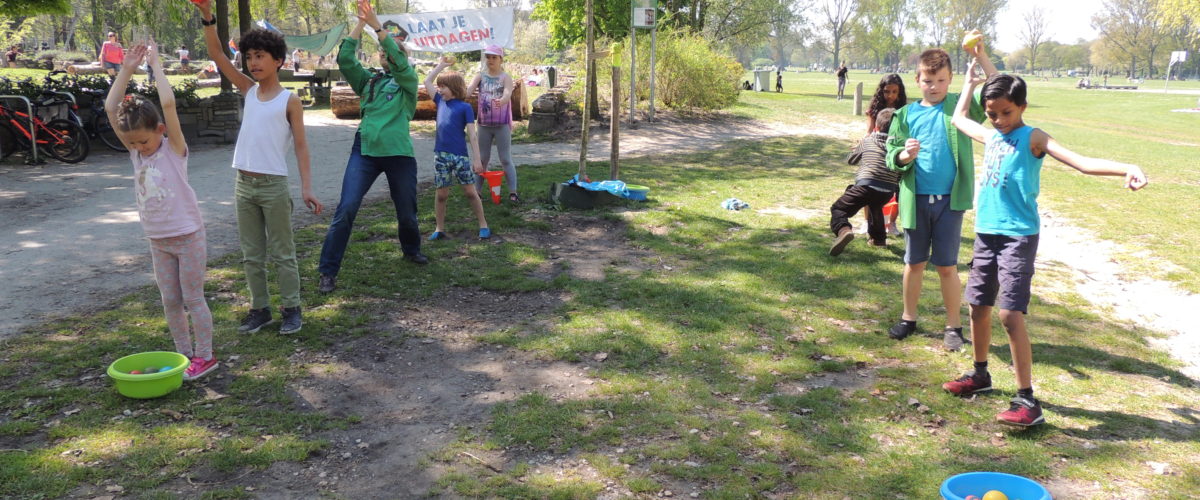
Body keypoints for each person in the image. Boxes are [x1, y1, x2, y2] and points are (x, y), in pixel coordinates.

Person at [945, 63, 1148, 426]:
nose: (999, 120)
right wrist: (968, 83)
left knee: (1009, 313)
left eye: (1006, 112)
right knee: (977, 306)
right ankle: (979, 376)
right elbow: (959, 118)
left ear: (1022, 107)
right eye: (992, 114)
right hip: (986, 232)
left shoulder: (1033, 137)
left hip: (1018, 236)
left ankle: (1026, 399)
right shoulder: (992, 136)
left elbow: (1081, 163)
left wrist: (1127, 166)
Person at [194, 0, 323, 334]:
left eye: (260, 56)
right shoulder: (248, 91)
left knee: (283, 253)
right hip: (244, 185)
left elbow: (300, 146)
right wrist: (209, 18)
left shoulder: (289, 100)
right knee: (252, 255)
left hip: (273, 186)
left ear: (278, 60)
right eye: (250, 57)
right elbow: (218, 56)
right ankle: (260, 309)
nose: (253, 62)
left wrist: (307, 187)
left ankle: (292, 308)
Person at [104, 41, 219, 380]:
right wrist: (126, 68)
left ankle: (206, 356)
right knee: (170, 302)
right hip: (158, 241)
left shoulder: (174, 149)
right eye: (133, 143)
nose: (138, 147)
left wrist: (156, 66)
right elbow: (112, 109)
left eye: (144, 141)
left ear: (160, 131)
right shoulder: (137, 153)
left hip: (188, 237)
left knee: (194, 299)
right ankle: (184, 354)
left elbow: (167, 103)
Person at [884, 36, 998, 350]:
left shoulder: (959, 107)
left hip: (950, 201)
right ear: (917, 80)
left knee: (947, 267)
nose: (934, 86)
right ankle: (908, 318)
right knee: (914, 263)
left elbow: (997, 87)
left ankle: (953, 326)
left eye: (942, 80)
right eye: (928, 80)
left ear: (950, 79)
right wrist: (904, 156)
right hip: (915, 200)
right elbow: (890, 153)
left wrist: (981, 59)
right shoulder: (905, 115)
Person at [317, 0, 427, 295]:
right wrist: (360, 24)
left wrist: (378, 26)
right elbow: (346, 61)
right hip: (364, 152)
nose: (385, 53)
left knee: (406, 212)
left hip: (399, 155)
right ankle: (328, 270)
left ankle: (411, 249)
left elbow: (400, 61)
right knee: (346, 208)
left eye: (390, 50)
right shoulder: (368, 81)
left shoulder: (407, 80)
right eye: (382, 50)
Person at [424, 55, 490, 241]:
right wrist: (441, 65)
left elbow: (472, 134)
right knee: (442, 194)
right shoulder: (439, 101)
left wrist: (477, 159)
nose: (439, 89)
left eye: (443, 86)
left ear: (453, 88)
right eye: (439, 86)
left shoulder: (465, 107)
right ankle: (439, 228)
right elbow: (426, 80)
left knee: (470, 192)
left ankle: (483, 224)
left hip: (460, 157)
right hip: (441, 156)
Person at [828, 107, 900, 256]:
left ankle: (843, 230)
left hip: (866, 184)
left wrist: (857, 148)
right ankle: (878, 240)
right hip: (888, 190)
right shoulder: (898, 148)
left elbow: (851, 160)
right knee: (876, 206)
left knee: (838, 209)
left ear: (876, 127)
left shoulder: (868, 140)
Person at [860, 73, 908, 235]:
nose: (891, 96)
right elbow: (869, 131)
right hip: (877, 153)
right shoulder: (874, 109)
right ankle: (867, 222)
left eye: (895, 92)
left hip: (896, 155)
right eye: (887, 91)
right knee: (868, 187)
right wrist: (862, 147)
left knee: (897, 190)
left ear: (900, 92)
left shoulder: (904, 110)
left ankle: (892, 223)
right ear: (881, 91)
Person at [469, 44, 519, 204]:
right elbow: (468, 91)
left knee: (505, 158)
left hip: (502, 124)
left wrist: (502, 101)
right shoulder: (480, 76)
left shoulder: (506, 77)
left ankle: (513, 192)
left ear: (500, 59)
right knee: (482, 159)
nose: (490, 60)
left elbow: (507, 93)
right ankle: (477, 191)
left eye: (494, 57)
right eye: (488, 57)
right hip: (483, 125)